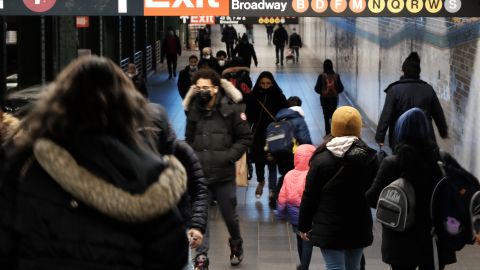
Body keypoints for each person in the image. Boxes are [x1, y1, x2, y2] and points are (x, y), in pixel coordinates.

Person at [0, 56, 189, 269]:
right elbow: (173, 254)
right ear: (128, 107)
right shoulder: (151, 175)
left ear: (59, 102)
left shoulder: (26, 166)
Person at [366, 108, 457, 270]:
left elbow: (373, 199)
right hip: (434, 240)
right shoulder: (442, 160)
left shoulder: (392, 164)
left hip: (400, 243)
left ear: (400, 131)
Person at [182, 68, 253, 266]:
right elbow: (188, 139)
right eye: (198, 88)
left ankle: (236, 242)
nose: (201, 91)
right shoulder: (194, 111)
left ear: (215, 89)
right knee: (200, 217)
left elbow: (246, 137)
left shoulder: (231, 110)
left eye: (206, 87)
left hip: (223, 176)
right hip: (200, 176)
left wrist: (229, 156)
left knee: (230, 217)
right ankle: (201, 257)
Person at [299, 106, 378, 270]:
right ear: (358, 128)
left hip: (329, 226)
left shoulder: (321, 159)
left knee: (334, 267)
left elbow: (310, 196)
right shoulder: (369, 157)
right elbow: (374, 193)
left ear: (334, 126)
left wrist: (304, 225)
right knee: (354, 267)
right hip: (358, 224)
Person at [375, 52, 448, 150]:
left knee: (401, 163)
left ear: (403, 70)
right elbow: (438, 114)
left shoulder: (394, 90)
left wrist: (380, 137)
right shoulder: (428, 89)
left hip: (400, 139)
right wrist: (443, 131)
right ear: (418, 72)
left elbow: (386, 115)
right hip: (425, 140)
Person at [246, 71, 288, 200]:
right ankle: (260, 181)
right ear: (259, 83)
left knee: (272, 162)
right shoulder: (253, 96)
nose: (265, 86)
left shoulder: (279, 96)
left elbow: (285, 113)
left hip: (274, 134)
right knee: (259, 160)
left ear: (272, 83)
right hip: (259, 133)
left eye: (268, 83)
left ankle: (271, 190)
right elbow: (249, 115)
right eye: (262, 83)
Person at [277, 144, 316, 270]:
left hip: (293, 213)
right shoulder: (311, 175)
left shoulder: (289, 174)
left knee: (299, 238)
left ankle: (302, 263)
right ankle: (304, 266)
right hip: (308, 213)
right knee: (307, 240)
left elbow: (282, 196)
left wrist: (281, 212)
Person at [270, 96, 313, 208]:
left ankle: (275, 196)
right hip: (292, 153)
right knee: (292, 175)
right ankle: (287, 200)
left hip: (278, 151)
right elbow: (305, 139)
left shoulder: (280, 117)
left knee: (285, 174)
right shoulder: (299, 119)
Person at [314, 59, 344, 135]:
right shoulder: (336, 76)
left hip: (324, 100)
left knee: (326, 116)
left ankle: (327, 132)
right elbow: (341, 88)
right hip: (334, 99)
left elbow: (316, 89)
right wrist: (335, 91)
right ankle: (334, 131)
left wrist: (322, 92)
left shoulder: (321, 76)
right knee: (334, 115)